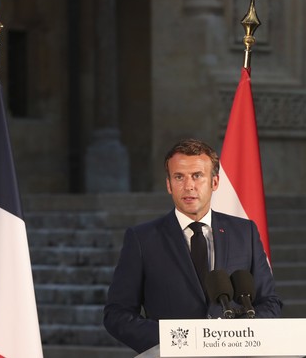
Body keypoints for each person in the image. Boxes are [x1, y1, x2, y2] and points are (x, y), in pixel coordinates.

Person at [103, 138, 282, 353]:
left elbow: (269, 302)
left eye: (197, 176)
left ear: (214, 182)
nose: (189, 186)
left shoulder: (245, 232)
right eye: (179, 177)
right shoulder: (142, 239)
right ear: (169, 184)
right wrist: (175, 340)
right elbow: (117, 314)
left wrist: (240, 336)